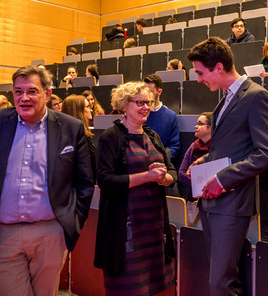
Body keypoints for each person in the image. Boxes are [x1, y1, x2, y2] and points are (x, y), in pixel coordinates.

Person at [0, 65, 94, 296]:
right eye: (18, 92)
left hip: (50, 233)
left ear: (47, 94)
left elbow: (84, 181)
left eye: (32, 91)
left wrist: (72, 224)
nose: (24, 98)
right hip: (3, 232)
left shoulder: (70, 127)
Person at [187, 37, 268, 295]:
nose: (198, 79)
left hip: (231, 201)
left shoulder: (256, 96)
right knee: (225, 279)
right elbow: (235, 147)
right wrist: (207, 160)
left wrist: (223, 178)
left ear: (218, 67)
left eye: (200, 72)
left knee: (220, 283)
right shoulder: (225, 99)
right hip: (214, 202)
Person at [94, 81, 176, 296]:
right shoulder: (111, 137)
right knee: (128, 288)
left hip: (154, 228)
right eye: (139, 102)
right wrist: (147, 176)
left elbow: (172, 174)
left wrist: (163, 177)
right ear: (123, 104)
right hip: (126, 228)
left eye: (148, 103)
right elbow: (105, 180)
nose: (145, 107)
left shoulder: (153, 136)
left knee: (153, 287)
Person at [178, 112, 213, 225]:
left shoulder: (218, 148)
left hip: (215, 201)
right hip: (194, 200)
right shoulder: (193, 147)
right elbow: (182, 174)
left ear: (211, 128)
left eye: (200, 124)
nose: (195, 126)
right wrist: (201, 184)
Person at [143, 74, 180, 161]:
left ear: (159, 92)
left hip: (161, 163)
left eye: (150, 91)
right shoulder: (139, 113)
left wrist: (160, 159)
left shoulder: (171, 116)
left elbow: (175, 147)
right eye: (144, 91)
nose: (146, 95)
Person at [62, 94, 96, 181]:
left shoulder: (83, 135)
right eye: (87, 107)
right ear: (78, 111)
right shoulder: (72, 139)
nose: (91, 110)